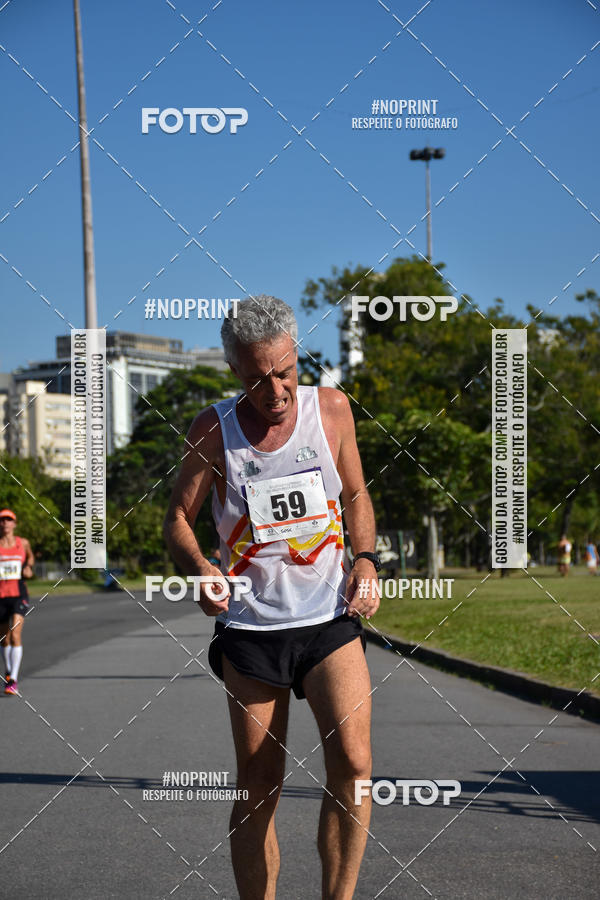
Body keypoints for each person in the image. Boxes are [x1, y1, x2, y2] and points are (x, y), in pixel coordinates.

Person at [164, 295, 380, 899]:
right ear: (235, 370)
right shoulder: (215, 428)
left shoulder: (330, 409)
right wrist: (205, 569)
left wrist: (364, 560)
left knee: (356, 768)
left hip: (328, 620)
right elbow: (177, 517)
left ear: (295, 354)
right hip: (253, 630)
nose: (276, 389)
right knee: (260, 783)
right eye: (259, 378)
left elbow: (357, 494)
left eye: (284, 371)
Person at [0, 509, 34, 695]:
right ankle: (8, 672)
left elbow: (30, 557)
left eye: (9, 520)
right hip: (1, 595)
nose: (5, 523)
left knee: (15, 635)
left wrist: (28, 566)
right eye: (2, 520)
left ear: (14, 524)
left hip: (18, 593)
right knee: (5, 639)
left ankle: (13, 679)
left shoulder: (23, 543)